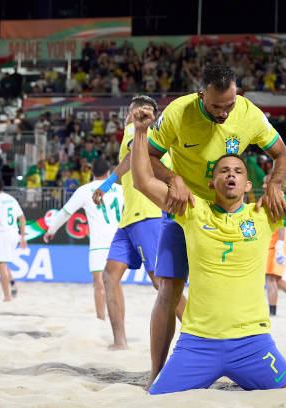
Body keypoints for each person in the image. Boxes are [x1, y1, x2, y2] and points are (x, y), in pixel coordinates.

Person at [129, 104, 286, 394]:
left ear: (247, 184)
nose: (231, 174)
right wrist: (140, 132)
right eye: (224, 171)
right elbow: (142, 180)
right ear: (211, 182)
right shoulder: (191, 210)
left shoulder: (266, 213)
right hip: (197, 345)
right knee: (157, 397)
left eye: (238, 171)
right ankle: (157, 372)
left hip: (253, 344)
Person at [143, 64, 286, 388]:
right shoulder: (177, 113)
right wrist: (173, 178)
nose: (225, 112)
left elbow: (283, 156)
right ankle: (157, 372)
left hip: (229, 213)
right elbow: (149, 156)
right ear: (201, 95)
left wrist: (276, 184)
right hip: (186, 209)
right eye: (216, 106)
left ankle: (246, 357)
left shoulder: (250, 114)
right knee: (168, 289)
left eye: (230, 104)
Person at [91, 95, 184, 350]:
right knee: (110, 275)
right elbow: (134, 169)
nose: (128, 117)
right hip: (131, 217)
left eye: (132, 112)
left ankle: (197, 334)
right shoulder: (148, 137)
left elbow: (134, 156)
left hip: (148, 213)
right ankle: (119, 343)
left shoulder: (139, 129)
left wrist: (107, 183)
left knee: (162, 282)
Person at [43, 158, 123, 320]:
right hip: (117, 242)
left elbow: (65, 213)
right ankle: (118, 321)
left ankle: (101, 319)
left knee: (99, 283)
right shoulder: (120, 189)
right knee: (115, 282)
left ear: (92, 173)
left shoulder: (85, 190)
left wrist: (51, 230)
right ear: (108, 173)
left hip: (99, 243)